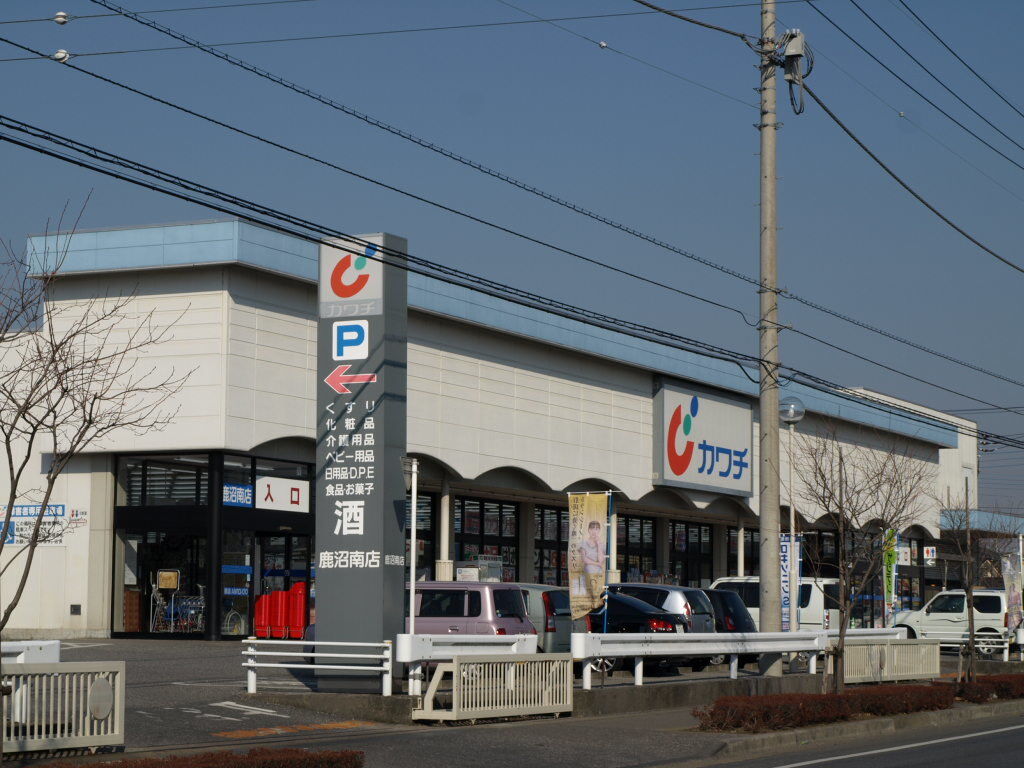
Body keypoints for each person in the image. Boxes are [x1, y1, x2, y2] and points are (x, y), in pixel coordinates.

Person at [578, 519, 606, 602]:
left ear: (599, 530)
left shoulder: (602, 545)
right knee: (588, 595)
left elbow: (601, 560)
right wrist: (597, 564)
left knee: (597, 595)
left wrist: (599, 545)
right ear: (589, 530)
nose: (594, 531)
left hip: (599, 575)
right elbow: (584, 559)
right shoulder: (583, 543)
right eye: (592, 528)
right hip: (588, 574)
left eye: (597, 528)